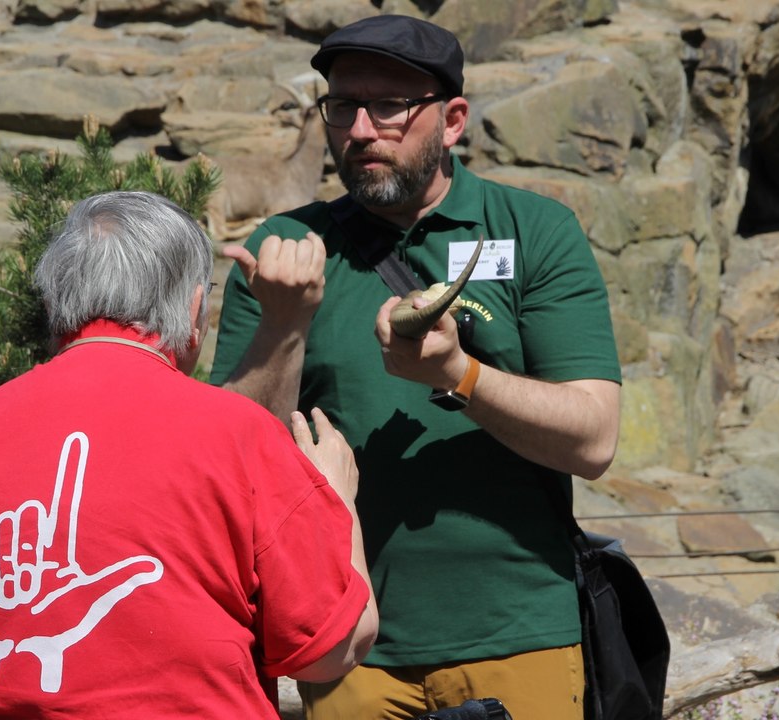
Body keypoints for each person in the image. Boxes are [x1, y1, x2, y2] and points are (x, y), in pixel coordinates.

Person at [210, 14, 621, 720]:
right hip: (344, 642)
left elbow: (594, 441)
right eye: (342, 106)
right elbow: (232, 461)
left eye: (390, 106)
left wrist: (461, 376)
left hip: (517, 634)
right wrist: (282, 325)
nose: (361, 130)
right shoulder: (285, 250)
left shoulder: (534, 232)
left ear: (453, 120)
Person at [0, 190, 377, 718]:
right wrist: (338, 503)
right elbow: (331, 648)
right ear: (192, 307)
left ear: (54, 303)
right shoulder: (237, 430)